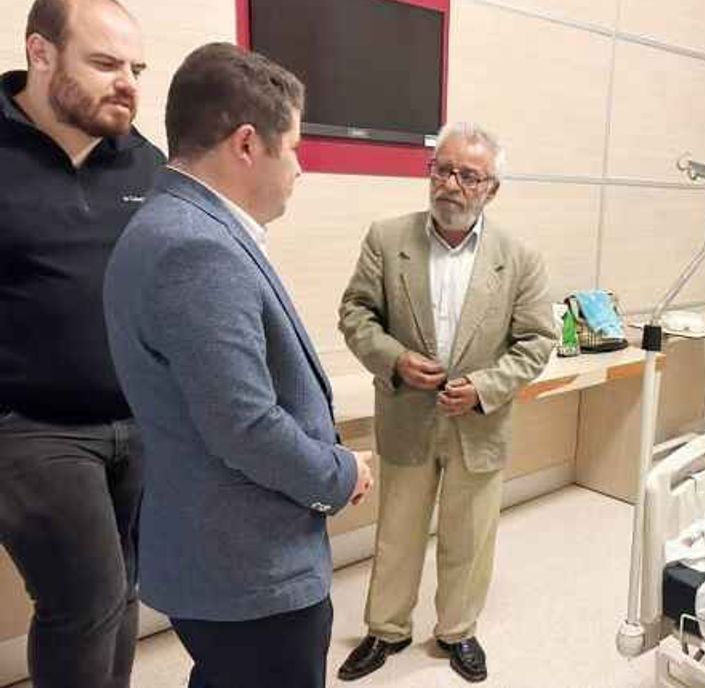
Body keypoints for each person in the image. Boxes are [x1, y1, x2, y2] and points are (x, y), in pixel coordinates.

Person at [102, 43, 373, 688]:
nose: (301, 168)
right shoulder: (195, 247)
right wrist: (340, 474)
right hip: (249, 570)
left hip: (220, 555)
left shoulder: (172, 225)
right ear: (247, 144)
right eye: (295, 148)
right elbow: (243, 424)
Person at [337, 122, 556, 682]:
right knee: (397, 533)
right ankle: (387, 629)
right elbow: (356, 314)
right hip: (406, 414)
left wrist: (485, 387)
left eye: (469, 176)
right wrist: (394, 359)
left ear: (492, 189)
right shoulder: (387, 239)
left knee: (470, 535)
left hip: (479, 423)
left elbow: (537, 340)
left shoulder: (520, 257)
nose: (452, 185)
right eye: (443, 170)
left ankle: (458, 631)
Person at [0, 0, 163, 688]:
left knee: (124, 588)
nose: (127, 84)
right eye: (105, 64)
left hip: (137, 418)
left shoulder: (146, 163)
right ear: (40, 53)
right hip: (31, 425)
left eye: (135, 69)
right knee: (87, 596)